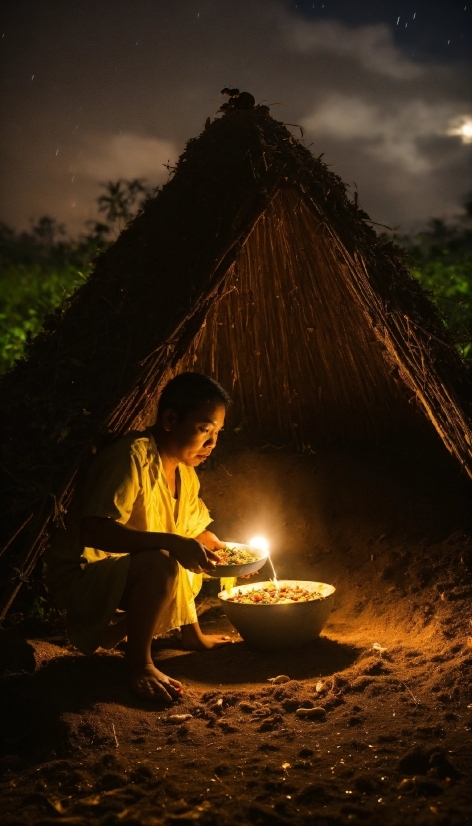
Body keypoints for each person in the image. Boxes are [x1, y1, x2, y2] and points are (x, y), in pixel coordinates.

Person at [44, 372, 232, 702]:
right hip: (88, 574)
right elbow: (94, 530)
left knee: (192, 549)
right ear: (171, 419)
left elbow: (190, 530)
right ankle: (139, 663)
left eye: (217, 433)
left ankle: (190, 634)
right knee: (162, 561)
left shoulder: (186, 474)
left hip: (130, 570)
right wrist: (174, 543)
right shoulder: (131, 457)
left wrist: (219, 548)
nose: (212, 443)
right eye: (205, 430)